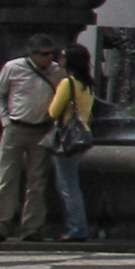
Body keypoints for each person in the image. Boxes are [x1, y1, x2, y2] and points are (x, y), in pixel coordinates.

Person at [0, 32, 65, 246]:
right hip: (16, 127)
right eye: (44, 54)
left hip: (42, 130)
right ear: (31, 54)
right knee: (6, 179)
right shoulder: (13, 68)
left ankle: (31, 228)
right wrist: (5, 121)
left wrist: (54, 125)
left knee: (37, 182)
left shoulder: (57, 72)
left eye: (52, 54)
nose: (49, 58)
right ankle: (0, 226)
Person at [49, 41, 100, 244]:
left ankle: (77, 228)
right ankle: (78, 226)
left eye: (62, 55)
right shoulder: (87, 85)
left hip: (67, 137)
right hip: (83, 134)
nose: (58, 59)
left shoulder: (67, 83)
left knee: (68, 185)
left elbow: (53, 111)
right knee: (72, 183)